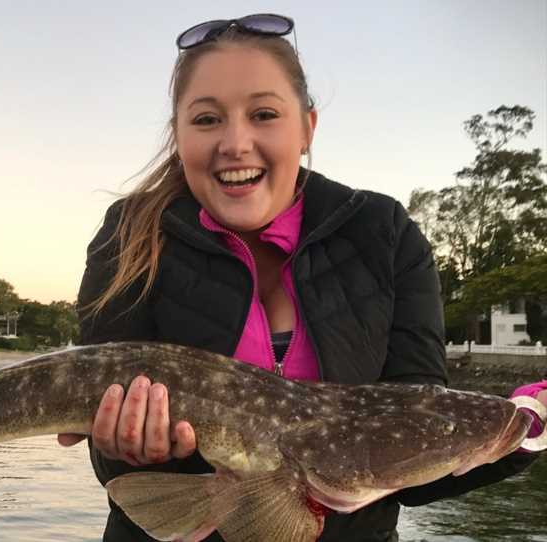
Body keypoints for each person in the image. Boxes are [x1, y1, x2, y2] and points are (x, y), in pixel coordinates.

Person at [57, 13, 547, 542]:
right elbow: (111, 463)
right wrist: (123, 448)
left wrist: (529, 428)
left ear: (307, 127)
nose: (236, 143)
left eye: (264, 113)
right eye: (206, 120)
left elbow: (410, 461)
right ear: (178, 135)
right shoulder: (130, 233)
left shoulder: (384, 233)